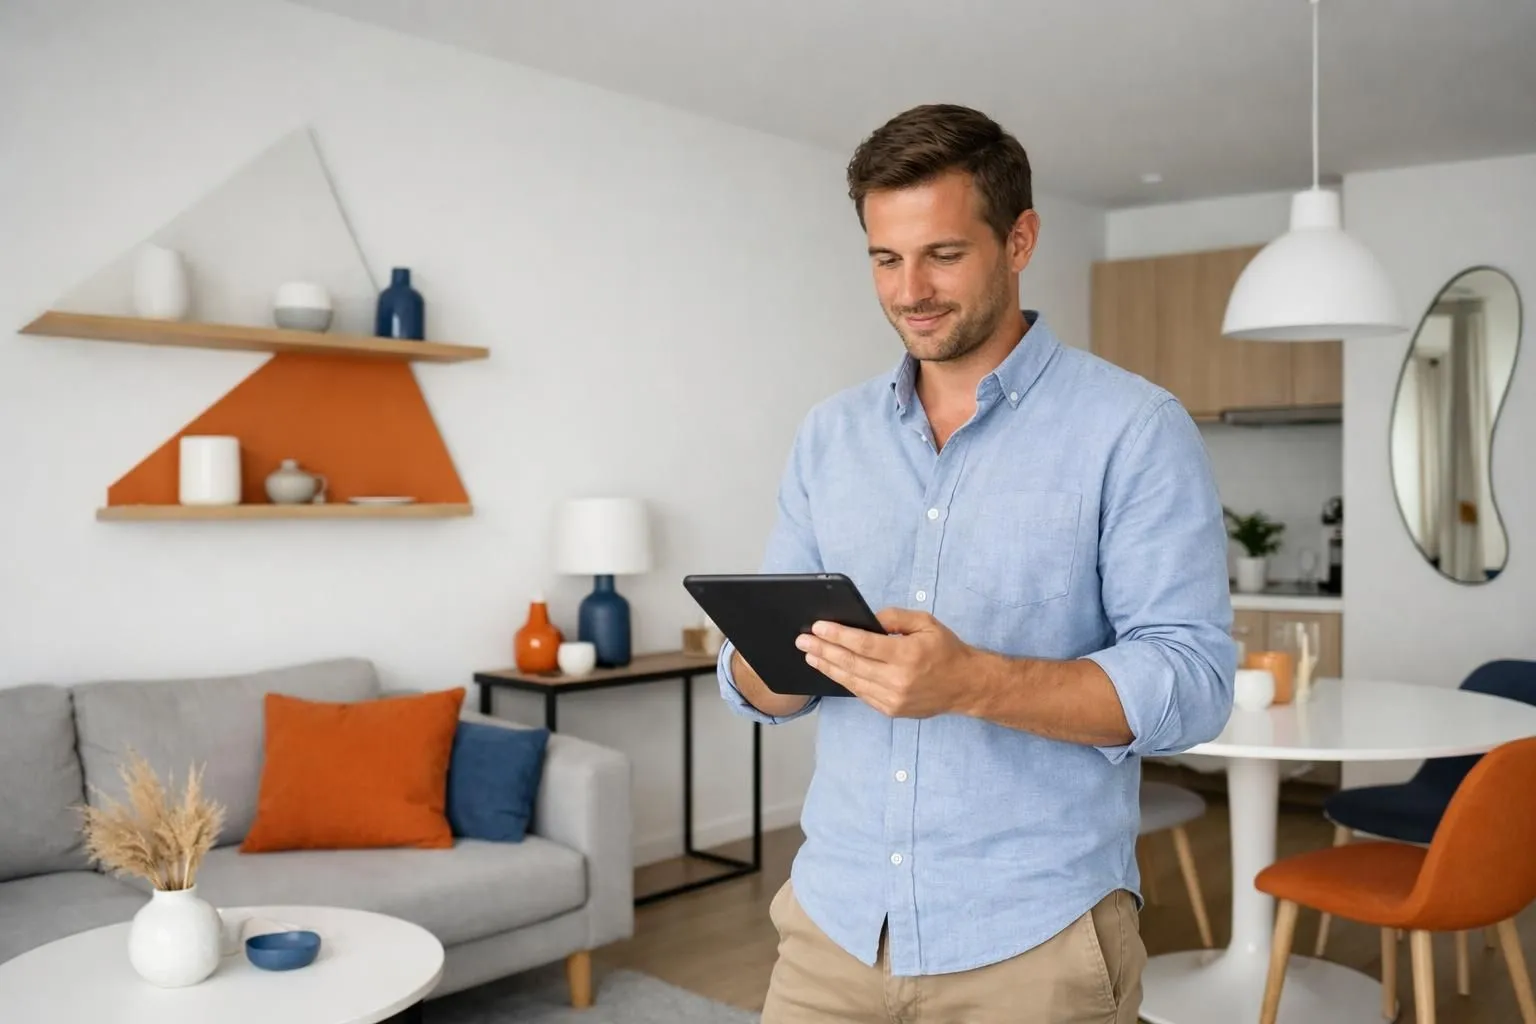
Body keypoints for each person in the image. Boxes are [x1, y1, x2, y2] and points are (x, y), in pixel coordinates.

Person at [714, 103, 1236, 1023]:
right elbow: (762, 682)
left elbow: (1193, 683)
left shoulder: (1134, 429)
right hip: (831, 928)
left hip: (1034, 943)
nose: (909, 289)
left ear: (1019, 239)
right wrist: (765, 663)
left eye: (943, 255)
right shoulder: (829, 436)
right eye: (885, 258)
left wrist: (970, 682)